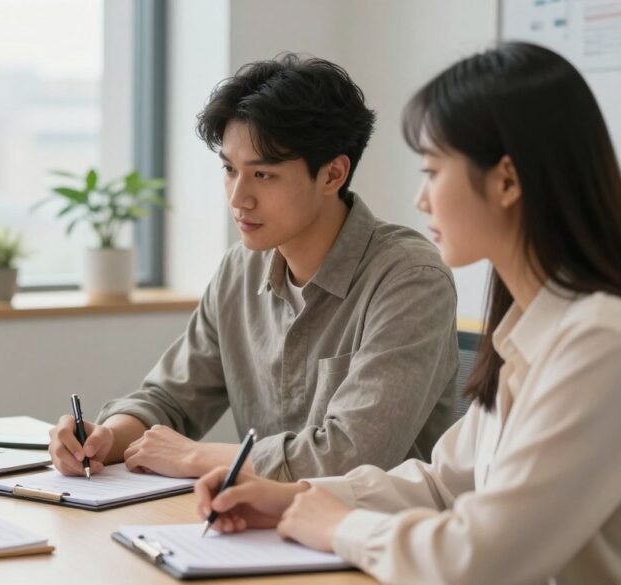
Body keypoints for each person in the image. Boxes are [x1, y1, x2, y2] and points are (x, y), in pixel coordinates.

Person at [194, 42, 621, 584]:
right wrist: (293, 499)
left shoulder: (600, 346)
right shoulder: (531, 332)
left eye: (433, 171)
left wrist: (341, 527)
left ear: (508, 181)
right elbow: (445, 484)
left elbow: (480, 558)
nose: (421, 200)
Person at [49, 54, 459, 481]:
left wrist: (199, 458)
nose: (238, 198)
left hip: (369, 535)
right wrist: (104, 440)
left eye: (262, 176)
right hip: (260, 528)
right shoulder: (240, 268)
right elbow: (169, 400)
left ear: (333, 174)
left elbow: (351, 456)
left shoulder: (410, 279)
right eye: (230, 170)